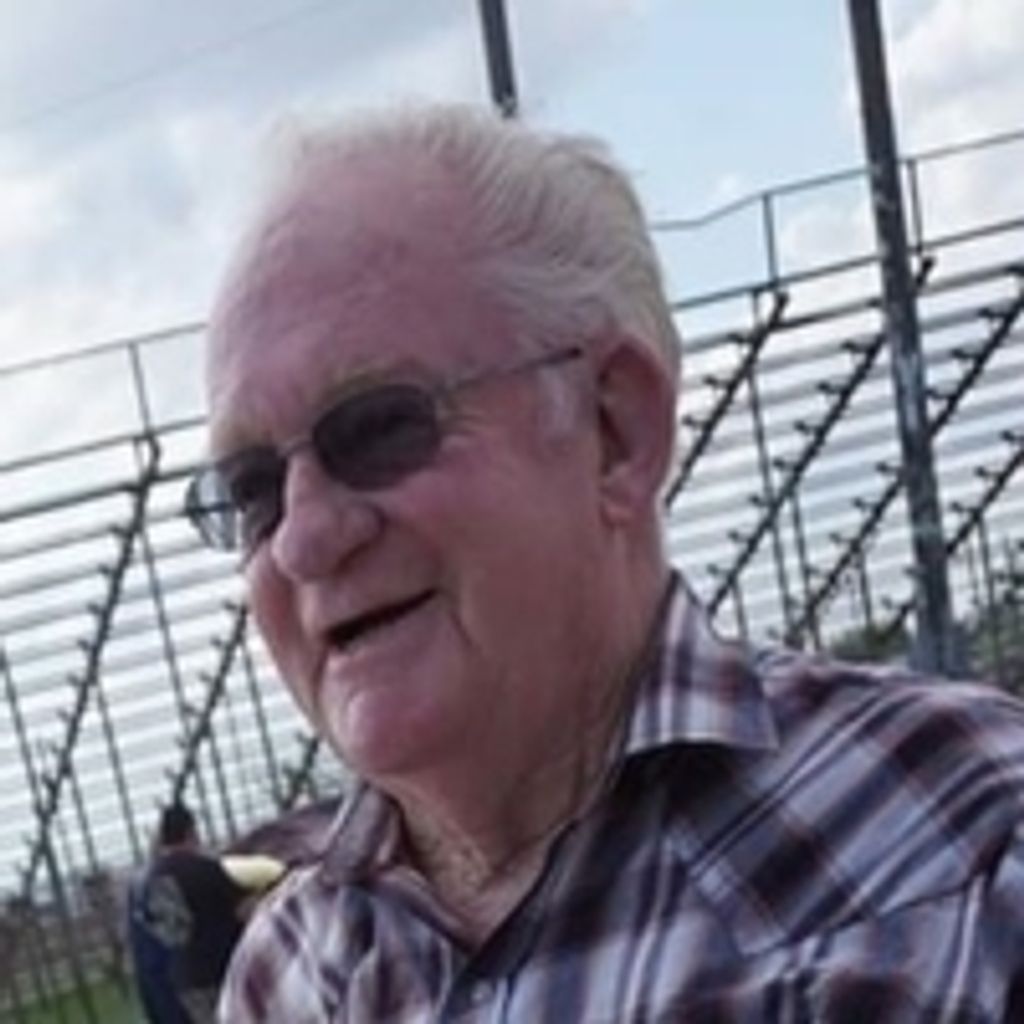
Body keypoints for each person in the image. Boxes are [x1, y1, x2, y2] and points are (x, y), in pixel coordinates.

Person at [185, 104, 1024, 1021]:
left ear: (614, 430)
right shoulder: (287, 978)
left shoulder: (968, 847)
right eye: (252, 488)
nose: (304, 539)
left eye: (379, 428)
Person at [128, 803, 249, 1023]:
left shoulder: (148, 882)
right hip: (221, 971)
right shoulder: (208, 869)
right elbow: (240, 911)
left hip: (185, 980)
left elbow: (168, 935)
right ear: (191, 832)